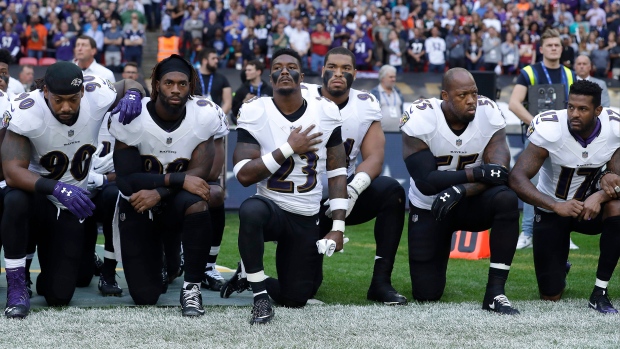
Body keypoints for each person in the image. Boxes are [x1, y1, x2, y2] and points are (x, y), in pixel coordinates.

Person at [0, 61, 145, 318]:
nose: (66, 107)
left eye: (73, 99)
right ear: (45, 92)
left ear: (83, 93)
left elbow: (129, 84)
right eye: (58, 100)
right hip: (38, 199)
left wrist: (135, 93)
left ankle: (48, 269)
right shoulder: (28, 110)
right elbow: (12, 173)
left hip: (70, 206)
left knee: (59, 296)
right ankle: (17, 286)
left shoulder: (97, 93)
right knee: (15, 200)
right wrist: (56, 188)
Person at [220, 48, 347, 324]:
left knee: (296, 297)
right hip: (272, 209)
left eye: (291, 67)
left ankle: (249, 275)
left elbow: (337, 171)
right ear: (271, 77)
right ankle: (260, 297)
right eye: (278, 67)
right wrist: (290, 147)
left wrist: (338, 228)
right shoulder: (256, 111)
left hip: (306, 216)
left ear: (302, 77)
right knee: (251, 210)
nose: (285, 71)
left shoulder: (325, 111)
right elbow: (243, 174)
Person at [110, 54, 223, 316]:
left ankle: (191, 288)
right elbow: (126, 180)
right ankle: (166, 259)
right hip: (138, 203)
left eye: (182, 84)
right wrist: (177, 179)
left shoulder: (204, 115)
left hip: (174, 202)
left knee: (199, 201)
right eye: (169, 83)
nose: (175, 89)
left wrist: (160, 191)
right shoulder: (134, 116)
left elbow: (201, 173)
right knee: (145, 297)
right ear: (157, 84)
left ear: (190, 86)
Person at [401, 68, 520, 315]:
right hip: (430, 205)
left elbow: (499, 173)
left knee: (506, 199)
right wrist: (475, 174)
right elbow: (426, 181)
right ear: (445, 95)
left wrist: (461, 189)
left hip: (471, 200)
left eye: (474, 93)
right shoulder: (421, 117)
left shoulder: (488, 112)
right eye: (462, 95)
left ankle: (495, 292)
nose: (471, 100)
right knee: (426, 294)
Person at [303, 47, 407, 305]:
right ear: (322, 69)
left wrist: (353, 190)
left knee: (391, 192)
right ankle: (251, 273)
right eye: (332, 67)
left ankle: (381, 282)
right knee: (304, 288)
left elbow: (374, 157)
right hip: (304, 197)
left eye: (345, 69)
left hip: (344, 193)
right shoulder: (302, 95)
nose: (338, 73)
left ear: (355, 74)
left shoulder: (365, 103)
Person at [508, 80, 620, 313]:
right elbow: (517, 177)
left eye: (583, 109)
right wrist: (555, 205)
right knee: (550, 295)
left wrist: (600, 195)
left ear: (598, 111)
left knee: (617, 206)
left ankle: (599, 291)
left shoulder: (614, 128)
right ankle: (560, 265)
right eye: (571, 107)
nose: (574, 114)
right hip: (552, 210)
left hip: (588, 210)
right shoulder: (550, 128)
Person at [509, 29, 577, 250]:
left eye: (557, 45)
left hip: (565, 137)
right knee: (533, 183)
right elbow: (514, 103)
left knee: (565, 185)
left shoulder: (569, 73)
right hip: (538, 138)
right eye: (550, 45)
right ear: (541, 49)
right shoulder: (529, 72)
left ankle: (564, 233)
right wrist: (536, 124)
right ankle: (527, 232)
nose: (554, 48)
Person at [194, 48, 232, 115]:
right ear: (204, 60)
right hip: (194, 118)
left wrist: (218, 117)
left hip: (215, 118)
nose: (216, 61)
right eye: (213, 58)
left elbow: (228, 103)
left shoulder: (222, 79)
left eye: (217, 58)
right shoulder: (190, 77)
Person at [370, 65, 404, 133]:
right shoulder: (374, 93)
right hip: (379, 135)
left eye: (394, 77)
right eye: (391, 77)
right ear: (382, 78)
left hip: (398, 134)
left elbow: (401, 112)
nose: (393, 79)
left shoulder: (398, 92)